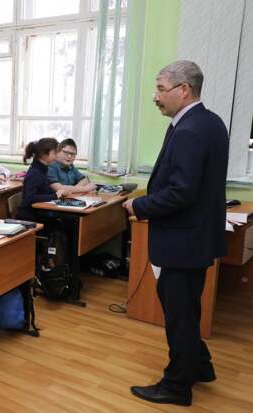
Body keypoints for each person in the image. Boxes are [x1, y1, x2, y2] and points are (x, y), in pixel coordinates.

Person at [124, 61, 228, 407]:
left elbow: (181, 192)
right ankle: (200, 366)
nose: (155, 97)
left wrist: (139, 206)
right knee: (186, 309)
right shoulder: (210, 122)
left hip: (183, 241)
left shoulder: (189, 130)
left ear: (183, 90)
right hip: (196, 238)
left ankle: (176, 386)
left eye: (160, 89)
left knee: (179, 315)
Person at [16, 138, 64, 221]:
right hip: (30, 217)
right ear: (44, 154)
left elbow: (44, 191)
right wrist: (55, 196)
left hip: (39, 213)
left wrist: (59, 194)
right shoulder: (35, 173)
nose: (57, 156)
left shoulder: (43, 169)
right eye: (54, 153)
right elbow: (29, 198)